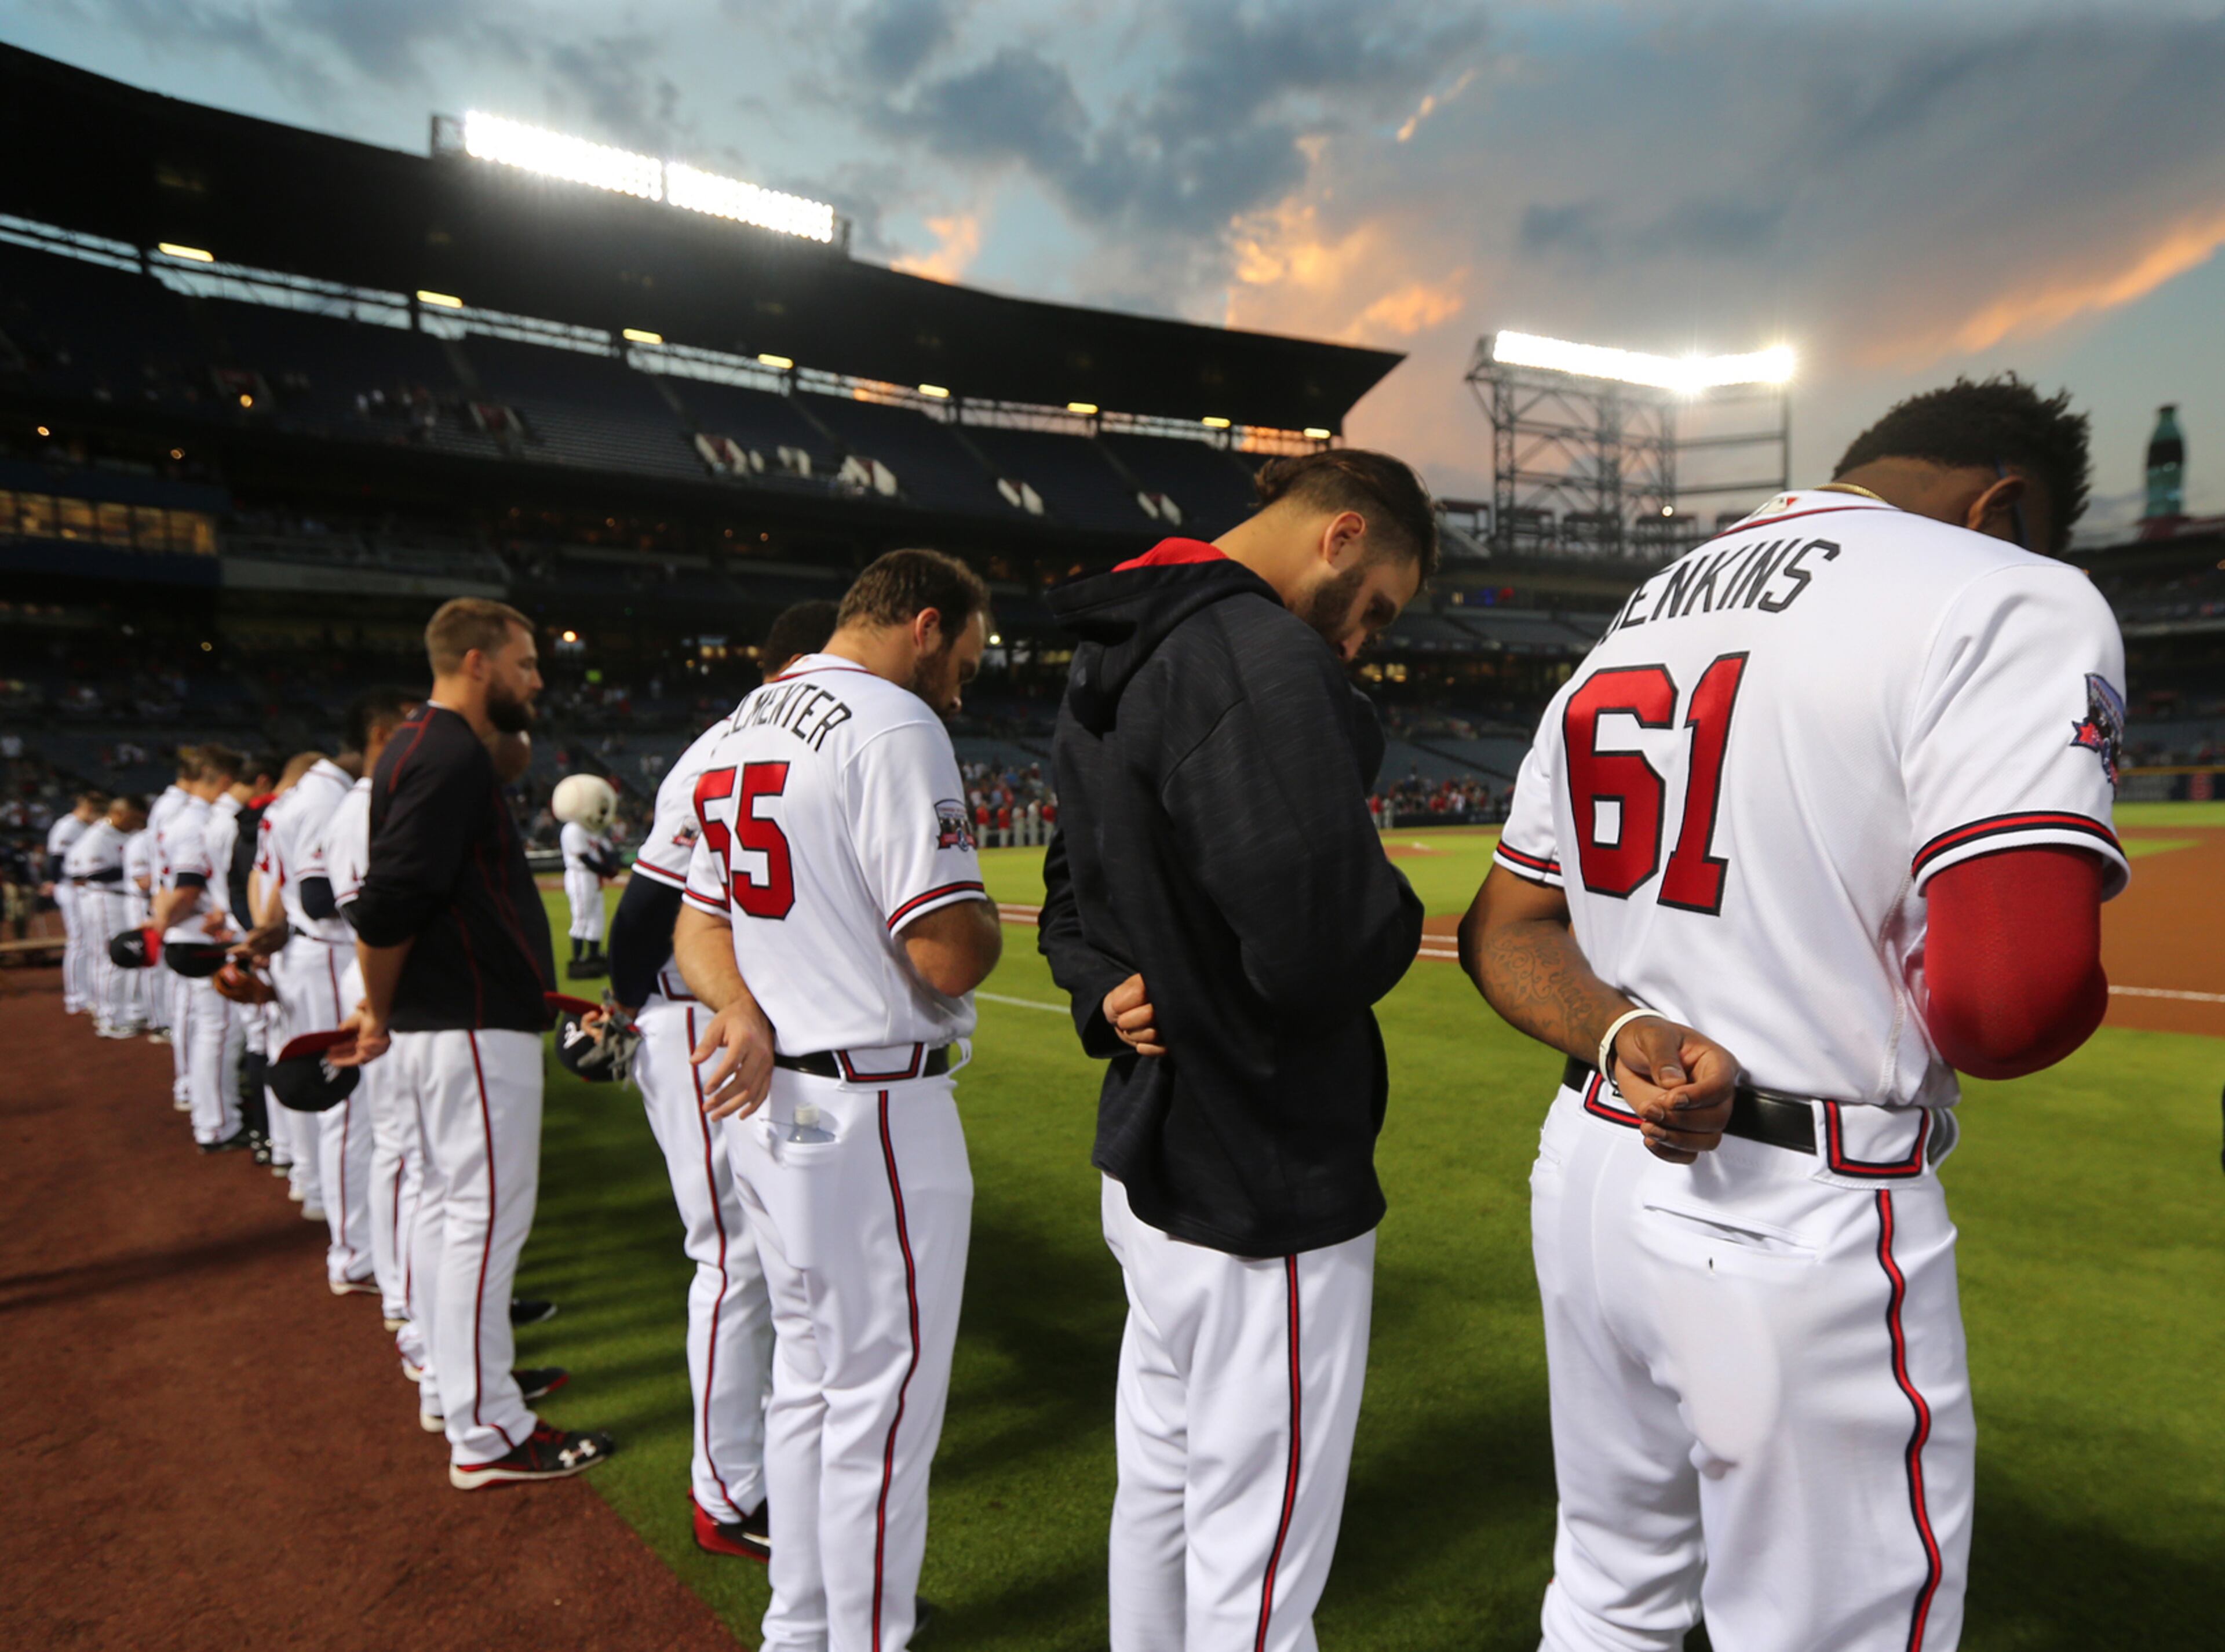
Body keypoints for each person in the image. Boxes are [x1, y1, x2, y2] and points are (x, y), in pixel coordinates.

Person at [1458, 375, 2122, 1652]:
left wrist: (1617, 1030)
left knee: (1607, 1596)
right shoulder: (2007, 588)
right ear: (2005, 504)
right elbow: (2010, 1004)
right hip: (1796, 1207)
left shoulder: (1640, 613)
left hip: (1594, 1174)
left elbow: (1504, 926)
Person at [1036, 449, 1434, 1652]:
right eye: (1376, 607)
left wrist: (1107, 987)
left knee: (1161, 1493)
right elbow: (1324, 948)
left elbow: (1069, 897)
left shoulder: (1116, 643)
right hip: (1260, 1173)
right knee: (1257, 1562)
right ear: (1341, 535)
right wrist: (1393, 909)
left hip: (1150, 1153)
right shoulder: (1259, 655)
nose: (1364, 640)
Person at [676, 555, 1000, 1652]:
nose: (962, 684)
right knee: (881, 1411)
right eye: (964, 656)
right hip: (873, 1112)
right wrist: (995, 918)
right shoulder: (896, 725)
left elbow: (694, 923)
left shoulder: (742, 722)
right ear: (923, 624)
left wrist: (740, 1008)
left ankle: (800, 1630)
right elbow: (948, 953)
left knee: (811, 1387)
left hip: (781, 1107)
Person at [341, 597, 612, 1488]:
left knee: (451, 1212)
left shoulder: (429, 746)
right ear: (477, 660)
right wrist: (376, 1010)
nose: (538, 677)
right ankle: (487, 1429)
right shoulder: (447, 752)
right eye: (527, 661)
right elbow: (389, 900)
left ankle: (463, 1387)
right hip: (462, 1022)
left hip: (446, 1021)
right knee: (481, 1224)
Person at [597, 596, 837, 1563]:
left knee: (774, 1258)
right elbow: (645, 916)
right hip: (698, 1023)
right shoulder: (726, 746)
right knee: (734, 1256)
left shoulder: (758, 737)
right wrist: (635, 1016)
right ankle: (726, 1494)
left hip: (734, 1026)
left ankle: (761, 1467)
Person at [303, 689, 423, 1336]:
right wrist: (374, 1006)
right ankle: (404, 1293)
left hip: (375, 970)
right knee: (400, 1148)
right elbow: (362, 914)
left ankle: (407, 1287)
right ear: (383, 732)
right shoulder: (363, 804)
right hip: (379, 973)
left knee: (400, 1146)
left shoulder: (368, 800)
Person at [251, 745, 364, 1245]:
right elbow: (321, 901)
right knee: (343, 1097)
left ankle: (310, 1179)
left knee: (311, 1077)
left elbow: (268, 881)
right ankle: (350, 1240)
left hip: (301, 950)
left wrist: (265, 929)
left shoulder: (288, 802)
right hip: (325, 952)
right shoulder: (324, 799)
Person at [148, 745, 250, 1151]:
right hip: (200, 940)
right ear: (225, 781)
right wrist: (163, 923)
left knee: (204, 1028)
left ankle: (203, 1105)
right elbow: (187, 890)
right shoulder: (194, 821)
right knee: (218, 1033)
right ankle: (216, 1124)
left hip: (188, 937)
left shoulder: (178, 815)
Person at [45, 792, 102, 1016]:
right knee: (78, 941)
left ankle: (87, 994)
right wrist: (68, 882)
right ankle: (76, 997)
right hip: (70, 889)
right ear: (87, 807)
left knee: (86, 941)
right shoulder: (67, 826)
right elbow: (54, 863)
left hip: (79, 888)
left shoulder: (81, 826)